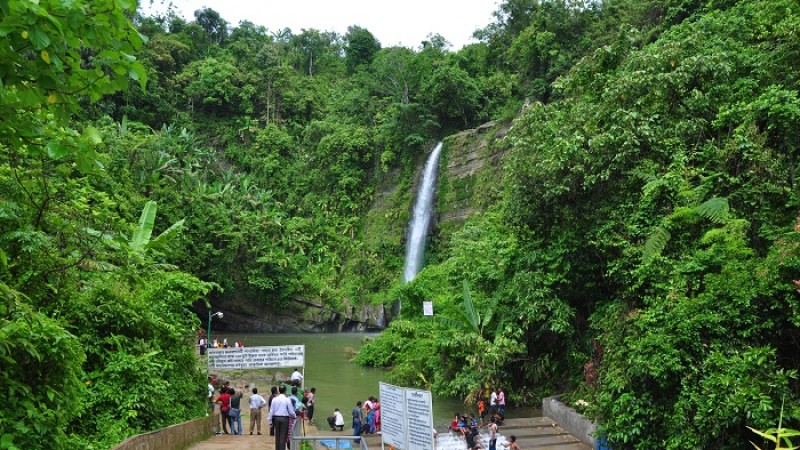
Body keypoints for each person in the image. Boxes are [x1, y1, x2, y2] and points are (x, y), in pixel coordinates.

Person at [269, 385, 297, 450]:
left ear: (279, 390)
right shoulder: (287, 400)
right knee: (283, 437)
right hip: (284, 419)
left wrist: (270, 421)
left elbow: (271, 411)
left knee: (277, 436)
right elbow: (291, 411)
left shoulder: (274, 399)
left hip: (276, 418)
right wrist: (294, 416)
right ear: (285, 391)